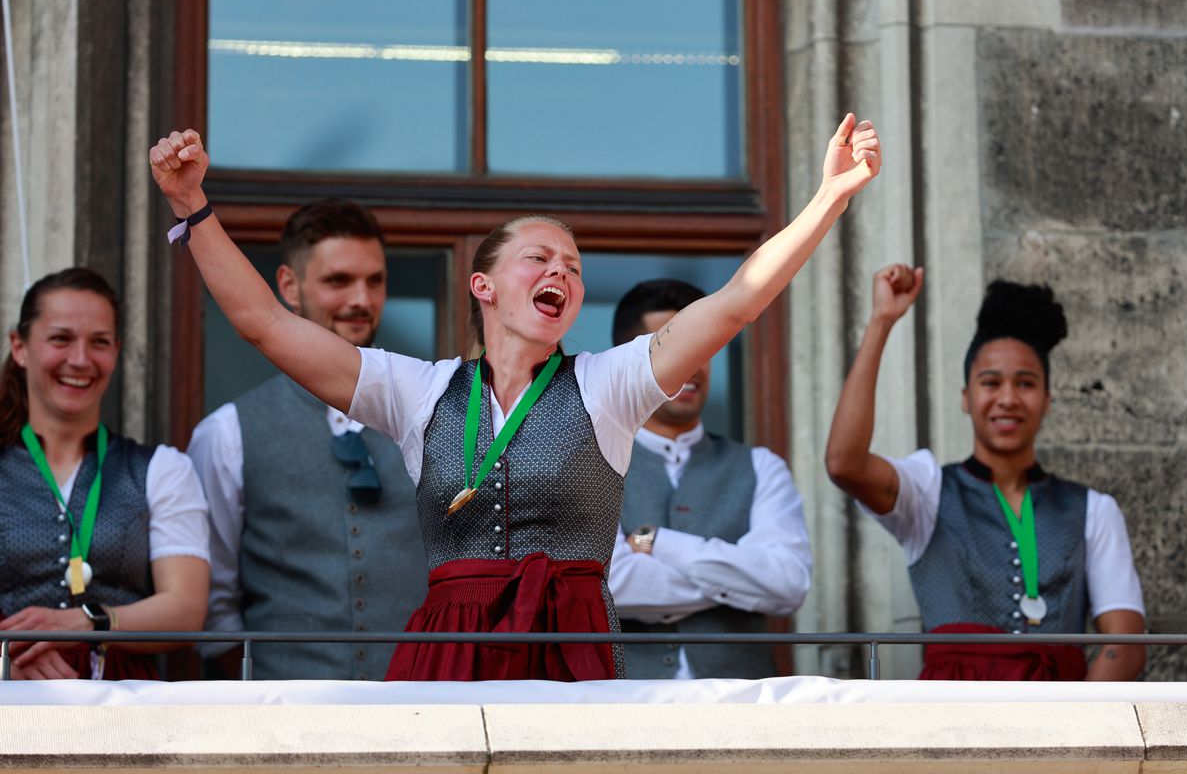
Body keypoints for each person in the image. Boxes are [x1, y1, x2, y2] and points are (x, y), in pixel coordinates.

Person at [148, 112, 880, 681]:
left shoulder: (607, 384)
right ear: (485, 287)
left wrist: (827, 198)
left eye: (573, 265)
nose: (560, 269)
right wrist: (193, 207)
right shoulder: (419, 390)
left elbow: (735, 303)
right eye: (539, 257)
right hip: (450, 649)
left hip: (571, 650)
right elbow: (265, 325)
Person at [824, 265, 1145, 680]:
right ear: (966, 397)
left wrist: (1070, 732)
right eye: (991, 383)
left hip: (1064, 725)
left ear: (1047, 399)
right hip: (954, 726)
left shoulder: (1094, 510)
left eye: (1025, 384)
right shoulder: (927, 493)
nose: (1008, 398)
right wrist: (881, 321)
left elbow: (1126, 646)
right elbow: (844, 463)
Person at [187, 198, 426, 681]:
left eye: (374, 281)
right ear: (288, 287)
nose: (361, 299)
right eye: (338, 281)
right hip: (285, 720)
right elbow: (214, 602)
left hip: (420, 711)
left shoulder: (432, 413)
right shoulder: (228, 432)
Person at [0, 268, 210, 680]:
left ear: (117, 351)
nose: (80, 359)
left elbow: (186, 609)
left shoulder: (162, 470)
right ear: (20, 347)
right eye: (61, 339)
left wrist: (93, 620)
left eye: (99, 342)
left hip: (122, 715)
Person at [606, 279, 811, 679]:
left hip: (741, 706)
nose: (694, 363)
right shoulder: (591, 463)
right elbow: (608, 584)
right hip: (622, 703)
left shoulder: (761, 467)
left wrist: (660, 544)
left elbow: (787, 583)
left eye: (704, 346)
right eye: (674, 346)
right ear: (629, 360)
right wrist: (742, 584)